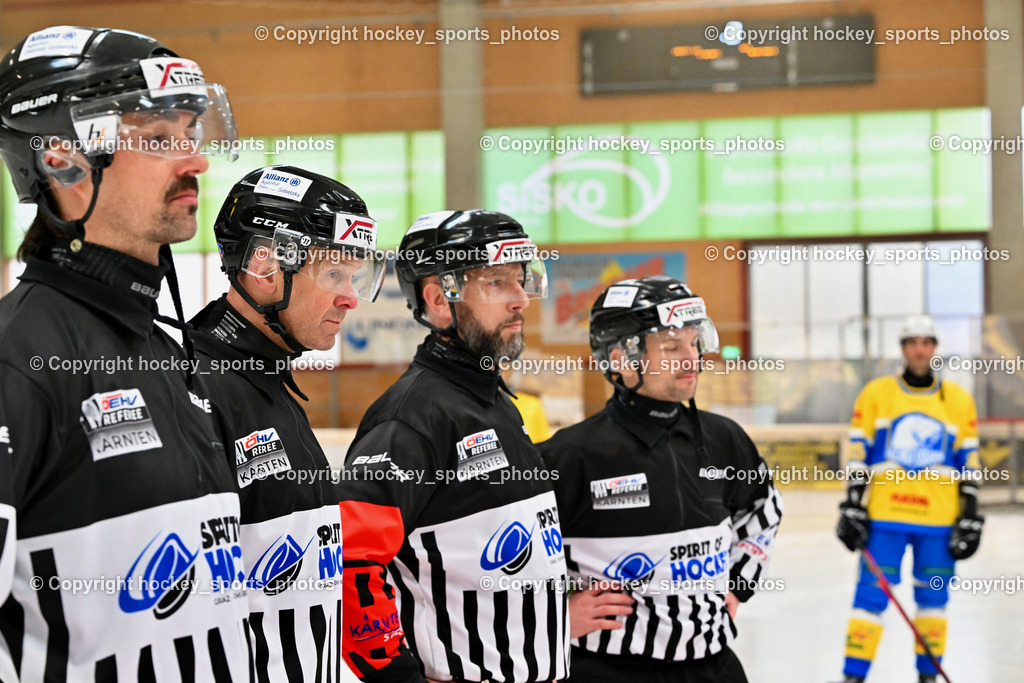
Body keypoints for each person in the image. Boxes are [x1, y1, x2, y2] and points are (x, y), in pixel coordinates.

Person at [0, 26, 249, 680]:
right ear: (64, 161)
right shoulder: (15, 360)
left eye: (192, 134)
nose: (195, 160)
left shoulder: (171, 351)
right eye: (159, 139)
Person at [337, 210, 569, 682]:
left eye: (520, 280)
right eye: (497, 283)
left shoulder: (495, 400)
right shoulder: (409, 419)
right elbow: (349, 568)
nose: (521, 299)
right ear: (441, 300)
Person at [191, 166, 385, 681]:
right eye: (333, 274)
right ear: (264, 266)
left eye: (355, 275)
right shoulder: (191, 388)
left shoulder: (271, 383)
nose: (350, 297)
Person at [538, 276, 783, 683]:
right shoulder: (571, 454)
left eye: (694, 342)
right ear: (621, 359)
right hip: (607, 671)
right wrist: (558, 613)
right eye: (671, 347)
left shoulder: (724, 439)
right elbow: (510, 558)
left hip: (715, 666)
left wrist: (738, 585)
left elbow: (763, 510)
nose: (691, 359)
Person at [834, 314, 982, 683]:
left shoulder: (959, 401)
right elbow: (859, 450)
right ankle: (854, 676)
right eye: (912, 342)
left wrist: (971, 514)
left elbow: (970, 461)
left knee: (933, 602)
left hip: (939, 522)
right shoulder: (876, 394)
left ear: (934, 348)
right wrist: (853, 502)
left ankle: (927, 677)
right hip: (885, 518)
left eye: (926, 341)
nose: (919, 348)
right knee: (869, 600)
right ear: (903, 348)